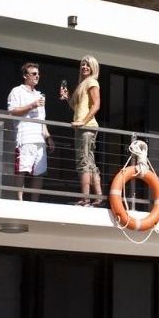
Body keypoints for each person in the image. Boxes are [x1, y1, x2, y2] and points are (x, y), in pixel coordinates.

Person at [59, 54, 103, 205]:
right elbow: (77, 108)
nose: (84, 67)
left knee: (83, 162)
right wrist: (67, 98)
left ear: (93, 68)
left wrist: (82, 122)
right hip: (83, 127)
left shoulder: (92, 82)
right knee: (89, 162)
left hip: (87, 128)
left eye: (87, 65)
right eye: (82, 64)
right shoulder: (83, 83)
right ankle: (97, 197)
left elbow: (97, 105)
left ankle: (86, 198)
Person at [5, 61, 52, 200]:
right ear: (25, 76)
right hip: (25, 137)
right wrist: (32, 105)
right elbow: (12, 112)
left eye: (38, 74)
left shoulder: (40, 95)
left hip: (40, 140)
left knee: (40, 172)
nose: (37, 76)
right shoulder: (17, 91)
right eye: (33, 74)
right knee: (22, 170)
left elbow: (42, 120)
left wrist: (49, 138)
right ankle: (20, 201)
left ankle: (34, 202)